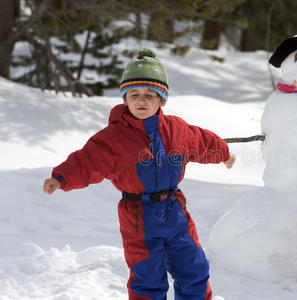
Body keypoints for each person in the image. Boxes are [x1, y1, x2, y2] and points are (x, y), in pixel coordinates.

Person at [43, 48, 236, 300]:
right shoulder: (113, 139)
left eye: (150, 95)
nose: (141, 101)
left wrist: (223, 153)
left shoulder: (177, 129)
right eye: (134, 95)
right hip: (137, 218)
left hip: (175, 211)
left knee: (194, 268)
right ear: (125, 99)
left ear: (162, 100)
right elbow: (87, 160)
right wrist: (61, 178)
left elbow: (202, 141)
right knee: (148, 278)